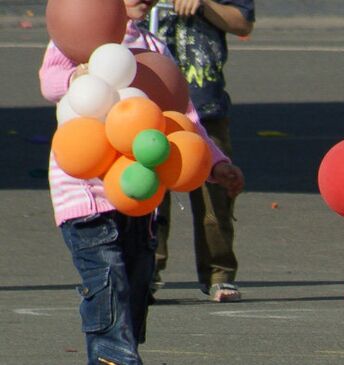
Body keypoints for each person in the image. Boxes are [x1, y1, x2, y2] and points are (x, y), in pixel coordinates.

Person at [38, 0, 244, 363]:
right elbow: (49, 82)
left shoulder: (153, 46)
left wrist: (215, 162)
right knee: (107, 281)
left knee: (135, 283)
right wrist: (76, 76)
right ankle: (114, 357)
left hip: (140, 193)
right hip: (86, 195)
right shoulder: (77, 35)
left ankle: (122, 350)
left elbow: (183, 117)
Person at [149, 0, 254, 303]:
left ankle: (219, 274)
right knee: (151, 194)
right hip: (149, 104)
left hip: (204, 103)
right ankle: (147, 271)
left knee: (215, 198)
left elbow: (242, 22)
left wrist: (203, 4)